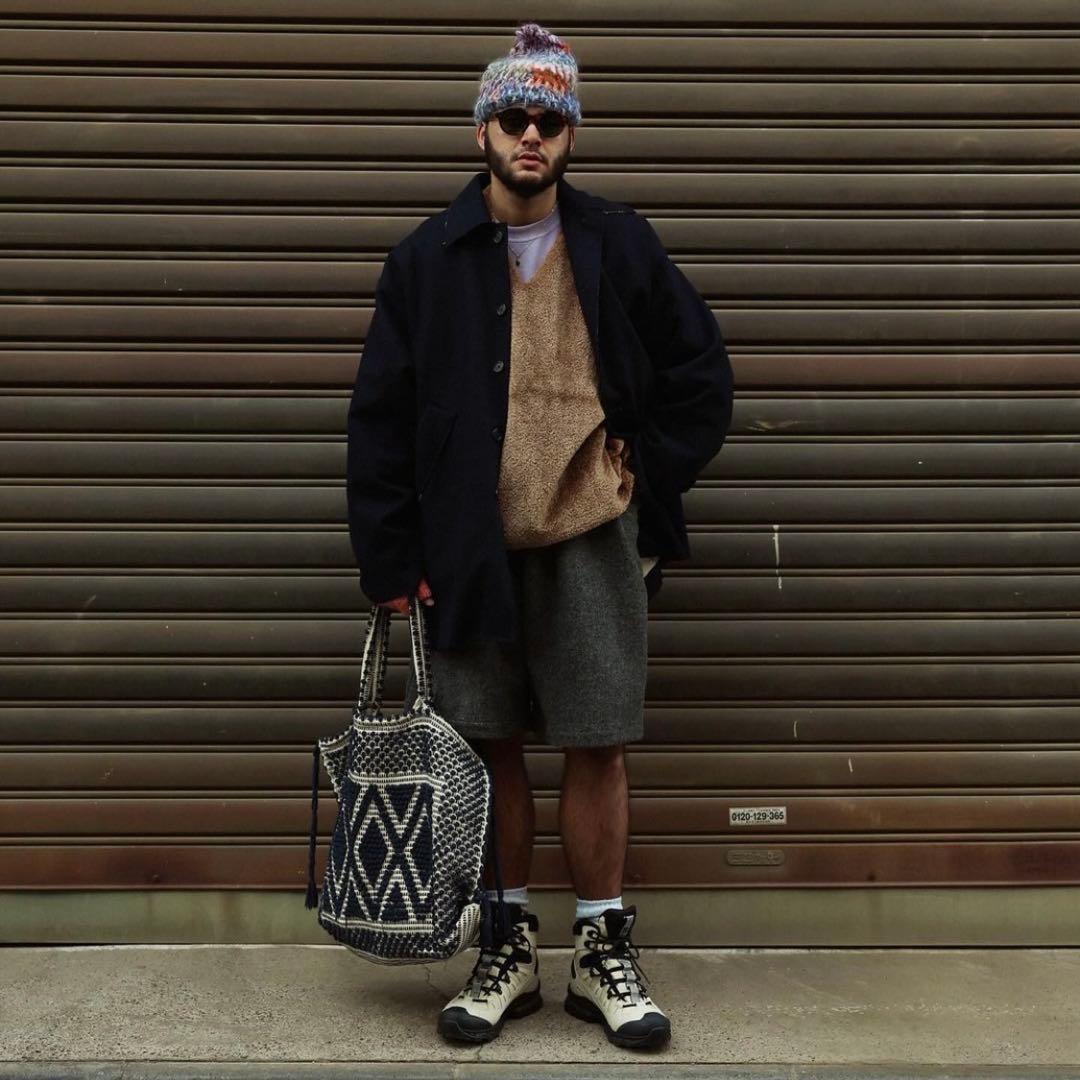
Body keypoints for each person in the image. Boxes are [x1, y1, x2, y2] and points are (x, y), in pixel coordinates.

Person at [345, 21, 733, 1052]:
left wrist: (644, 476)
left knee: (599, 743)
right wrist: (390, 563)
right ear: (481, 130)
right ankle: (508, 950)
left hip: (592, 536)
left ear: (570, 134)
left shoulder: (619, 243)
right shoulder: (426, 260)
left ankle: (603, 950)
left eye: (550, 120)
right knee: (492, 748)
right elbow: (380, 418)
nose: (532, 134)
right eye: (513, 117)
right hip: (468, 545)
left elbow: (702, 374)